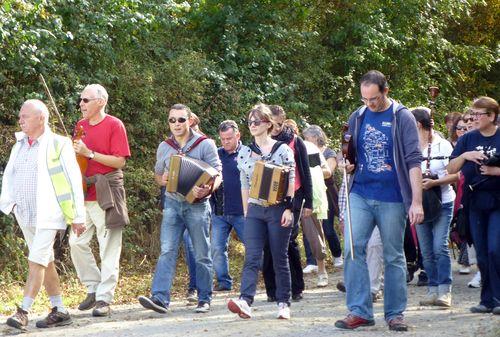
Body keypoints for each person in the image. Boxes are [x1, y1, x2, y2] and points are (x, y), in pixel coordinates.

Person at [334, 70, 423, 331]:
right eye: (364, 99)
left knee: (393, 255)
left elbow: (413, 161)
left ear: (386, 91)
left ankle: (395, 314)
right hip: (360, 192)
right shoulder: (358, 116)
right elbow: (348, 153)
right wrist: (346, 164)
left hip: (393, 197)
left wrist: (416, 201)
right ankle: (360, 311)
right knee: (352, 248)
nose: (369, 104)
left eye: (373, 98)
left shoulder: (402, 117)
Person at [1, 100, 85, 329]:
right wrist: (11, 203)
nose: (20, 120)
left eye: (25, 116)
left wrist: (78, 216)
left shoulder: (59, 144)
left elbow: (73, 181)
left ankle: (23, 311)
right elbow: (10, 175)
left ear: (41, 118)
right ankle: (60, 309)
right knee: (45, 261)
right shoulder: (19, 145)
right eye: (20, 116)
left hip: (50, 213)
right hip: (25, 213)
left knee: (36, 260)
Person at [138, 104, 221, 314]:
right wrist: (162, 179)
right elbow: (158, 176)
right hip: (172, 203)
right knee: (167, 250)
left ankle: (204, 298)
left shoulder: (205, 144)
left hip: (197, 205)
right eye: (172, 120)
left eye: (181, 120)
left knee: (202, 253)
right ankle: (159, 298)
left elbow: (218, 174)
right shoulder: (164, 146)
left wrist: (208, 189)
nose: (176, 124)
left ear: (190, 120)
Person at [227, 103, 295, 320]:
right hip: (255, 210)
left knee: (279, 256)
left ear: (268, 124)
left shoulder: (282, 149)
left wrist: (289, 208)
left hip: (277, 209)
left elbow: (290, 180)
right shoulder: (245, 152)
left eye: (257, 121)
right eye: (250, 122)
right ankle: (245, 301)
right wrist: (247, 213)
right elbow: (244, 184)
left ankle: (284, 302)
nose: (253, 125)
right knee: (252, 256)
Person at [70, 84, 131, 317]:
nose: (81, 104)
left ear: (100, 102)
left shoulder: (115, 125)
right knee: (76, 243)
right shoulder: (81, 125)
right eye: (81, 100)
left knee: (109, 248)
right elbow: (76, 158)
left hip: (107, 193)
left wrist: (90, 153)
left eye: (85, 100)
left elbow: (119, 162)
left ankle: (104, 299)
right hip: (83, 194)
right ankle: (93, 287)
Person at [447, 96, 500, 315]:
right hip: (475, 201)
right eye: (473, 114)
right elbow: (451, 168)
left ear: (492, 116)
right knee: (482, 253)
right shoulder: (467, 139)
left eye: (479, 114)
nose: (474, 118)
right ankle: (487, 300)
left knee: (495, 248)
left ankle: (498, 298)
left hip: (497, 200)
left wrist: (496, 171)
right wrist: (466, 155)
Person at [262, 106, 313, 302]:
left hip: (294, 195)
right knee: (267, 240)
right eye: (271, 124)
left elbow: (305, 171)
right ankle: (272, 289)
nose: (275, 129)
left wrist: (308, 201)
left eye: (279, 124)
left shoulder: (295, 141)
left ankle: (296, 287)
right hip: (268, 196)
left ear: (284, 122)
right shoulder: (261, 142)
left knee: (288, 239)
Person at [412, 107, 457, 308]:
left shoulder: (443, 145)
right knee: (426, 249)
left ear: (419, 125)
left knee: (439, 246)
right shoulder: (410, 146)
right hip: (419, 203)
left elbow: (456, 174)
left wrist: (434, 182)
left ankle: (444, 290)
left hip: (443, 201)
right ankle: (432, 287)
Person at [210, 120, 245, 291]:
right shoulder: (216, 155)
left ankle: (266, 275)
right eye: (222, 139)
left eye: (229, 138)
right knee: (217, 248)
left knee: (254, 247)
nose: (226, 142)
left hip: (242, 211)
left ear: (237, 135)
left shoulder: (248, 153)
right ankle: (224, 282)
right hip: (220, 210)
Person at [302, 126, 343, 268]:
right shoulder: (305, 151)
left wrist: (313, 167)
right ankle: (314, 260)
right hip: (311, 192)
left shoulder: (328, 152)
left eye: (307, 138)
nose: (305, 141)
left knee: (328, 227)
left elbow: (329, 172)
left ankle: (337, 255)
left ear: (316, 137)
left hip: (327, 193)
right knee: (311, 227)